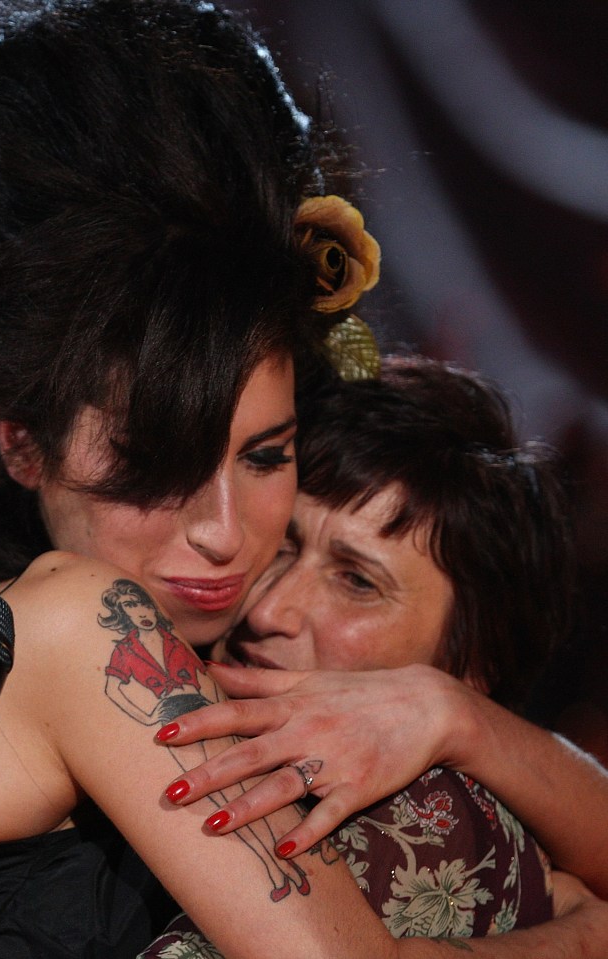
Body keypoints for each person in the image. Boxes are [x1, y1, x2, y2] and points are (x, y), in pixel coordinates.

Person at [0, 3, 608, 959]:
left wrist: (454, 718)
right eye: (156, 465)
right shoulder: (73, 620)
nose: (227, 534)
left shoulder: (180, 671)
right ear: (21, 444)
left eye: (265, 456)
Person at [141, 353, 608, 954]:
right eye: (284, 543)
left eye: (357, 581)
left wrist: (453, 716)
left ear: (472, 664)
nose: (267, 610)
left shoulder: (437, 826)